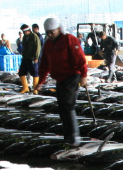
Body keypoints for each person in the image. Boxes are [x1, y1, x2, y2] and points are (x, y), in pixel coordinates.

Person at [34, 17, 88, 147]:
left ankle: (74, 137)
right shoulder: (48, 44)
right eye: (48, 33)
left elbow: (80, 58)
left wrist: (84, 75)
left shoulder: (69, 39)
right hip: (60, 78)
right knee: (62, 107)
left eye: (52, 32)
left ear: (58, 29)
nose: (50, 35)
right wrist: (41, 81)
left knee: (68, 105)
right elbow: (44, 64)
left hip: (72, 76)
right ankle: (67, 136)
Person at [18, 23, 41, 93]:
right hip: (25, 58)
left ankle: (35, 89)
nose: (23, 33)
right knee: (21, 73)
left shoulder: (34, 36)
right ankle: (25, 88)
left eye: (24, 31)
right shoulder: (24, 37)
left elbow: (37, 47)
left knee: (35, 73)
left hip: (32, 58)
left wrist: (36, 57)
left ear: (27, 30)